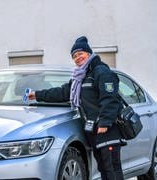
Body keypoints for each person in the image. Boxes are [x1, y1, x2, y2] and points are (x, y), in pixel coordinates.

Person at [28, 36, 125, 180]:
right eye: (74, 56)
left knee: (111, 168)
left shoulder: (101, 72)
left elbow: (110, 99)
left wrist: (104, 123)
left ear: (88, 53)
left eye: (80, 54)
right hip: (95, 132)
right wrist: (36, 95)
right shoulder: (80, 77)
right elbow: (61, 92)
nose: (77, 58)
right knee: (104, 168)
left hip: (107, 130)